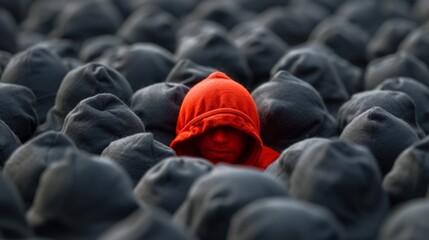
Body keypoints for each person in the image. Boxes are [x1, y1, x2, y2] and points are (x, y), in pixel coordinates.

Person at [169, 71, 279, 169]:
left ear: (250, 134)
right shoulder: (167, 177)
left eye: (232, 128)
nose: (220, 139)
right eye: (208, 128)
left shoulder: (275, 171)